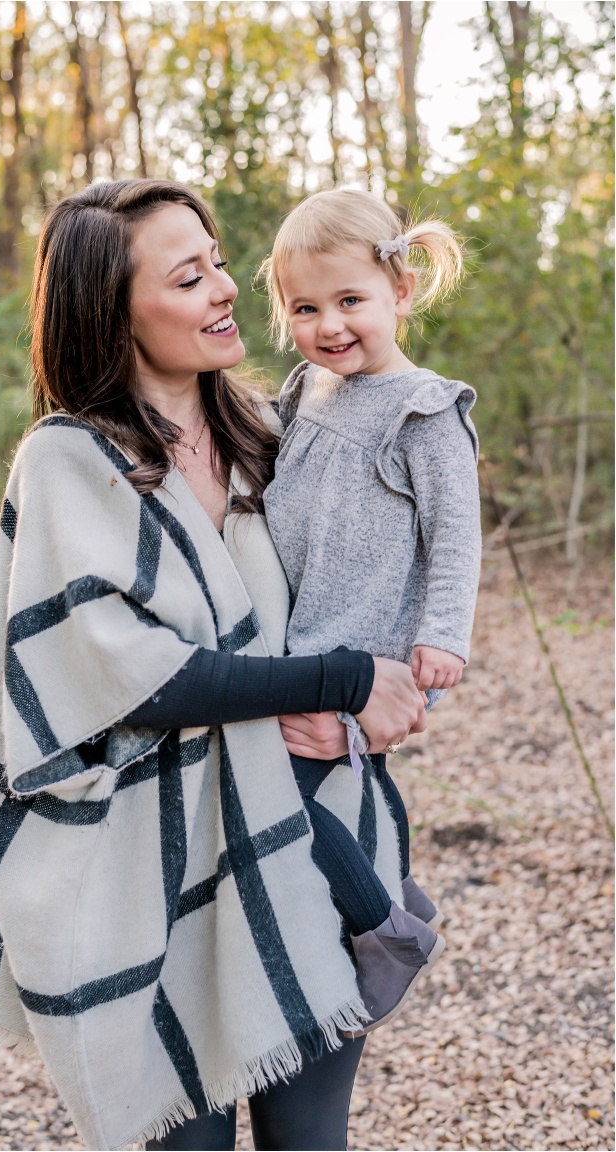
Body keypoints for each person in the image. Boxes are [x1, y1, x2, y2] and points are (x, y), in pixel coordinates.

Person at [0, 179, 427, 1152]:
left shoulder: (272, 435)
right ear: (113, 311)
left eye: (219, 261)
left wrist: (382, 683)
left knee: (313, 1142)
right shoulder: (68, 463)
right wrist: (342, 680)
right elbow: (139, 677)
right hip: (159, 882)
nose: (226, 289)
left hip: (306, 847)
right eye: (190, 277)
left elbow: (364, 591)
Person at [261, 187, 482, 1033]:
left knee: (285, 798)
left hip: (368, 649)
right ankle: (395, 885)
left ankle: (383, 931)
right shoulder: (306, 390)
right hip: (300, 639)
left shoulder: (424, 411)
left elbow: (456, 534)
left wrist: (442, 637)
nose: (330, 325)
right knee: (301, 792)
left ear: (402, 289)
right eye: (306, 307)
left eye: (351, 300)